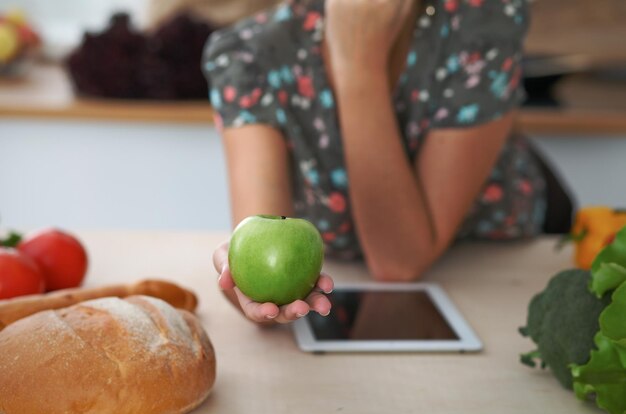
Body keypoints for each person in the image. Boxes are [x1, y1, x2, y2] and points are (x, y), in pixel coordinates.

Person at [204, 0, 573, 325]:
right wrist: (241, 282)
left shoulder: (484, 21)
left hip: (503, 261)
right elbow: (261, 282)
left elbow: (399, 264)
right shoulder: (249, 54)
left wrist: (357, 63)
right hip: (358, 286)